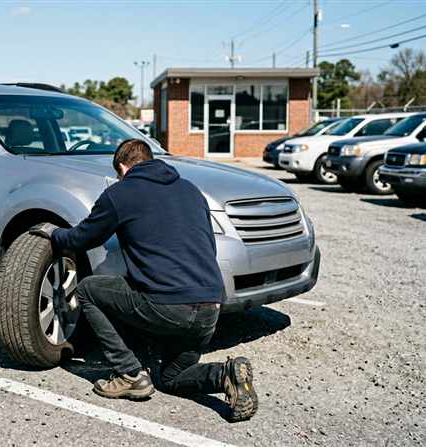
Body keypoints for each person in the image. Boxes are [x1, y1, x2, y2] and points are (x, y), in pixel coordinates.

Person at [30, 139, 258, 422]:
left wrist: (53, 233)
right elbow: (204, 247)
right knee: (173, 377)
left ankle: (129, 374)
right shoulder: (191, 190)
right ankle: (226, 374)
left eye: (118, 175)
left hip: (169, 307)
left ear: (122, 168)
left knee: (88, 289)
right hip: (210, 307)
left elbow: (82, 238)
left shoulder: (121, 193)